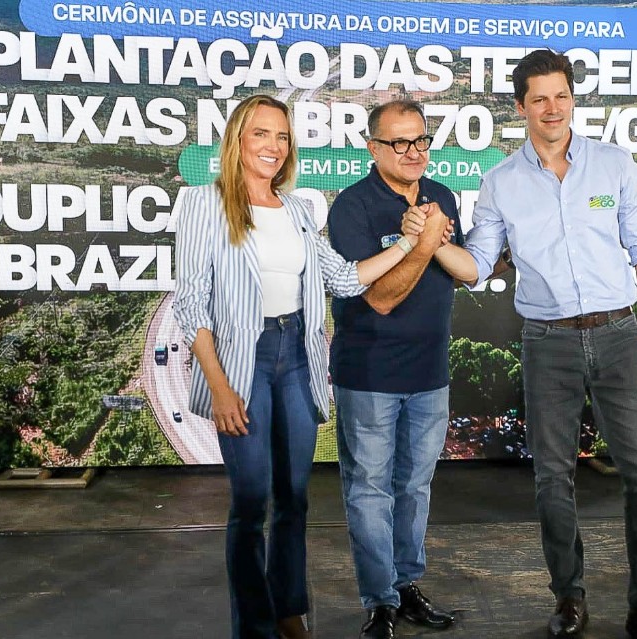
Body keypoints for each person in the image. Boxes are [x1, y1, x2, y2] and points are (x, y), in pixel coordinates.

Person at [404, 49, 637, 639]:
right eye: (540, 99)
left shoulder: (614, 165)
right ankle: (569, 597)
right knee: (553, 478)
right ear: (520, 106)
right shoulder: (500, 182)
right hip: (547, 343)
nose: (553, 108)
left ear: (573, 98)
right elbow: (477, 266)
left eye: (561, 96)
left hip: (620, 334)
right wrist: (431, 242)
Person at [173, 94, 439, 639]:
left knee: (293, 498)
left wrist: (410, 244)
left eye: (281, 136)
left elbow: (342, 278)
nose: (273, 145)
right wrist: (220, 386)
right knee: (251, 501)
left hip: (296, 354)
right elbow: (191, 304)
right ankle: (254, 625)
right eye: (260, 133)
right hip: (242, 361)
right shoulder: (205, 203)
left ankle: (289, 610)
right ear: (237, 141)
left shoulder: (296, 210)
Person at [328, 100, 460, 639]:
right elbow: (380, 298)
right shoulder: (352, 206)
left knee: (415, 488)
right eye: (399, 142)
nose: (413, 152)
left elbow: (462, 266)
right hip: (370, 374)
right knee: (369, 490)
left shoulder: (442, 196)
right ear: (373, 147)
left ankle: (407, 587)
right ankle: (379, 600)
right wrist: (422, 242)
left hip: (430, 372)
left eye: (421, 140)